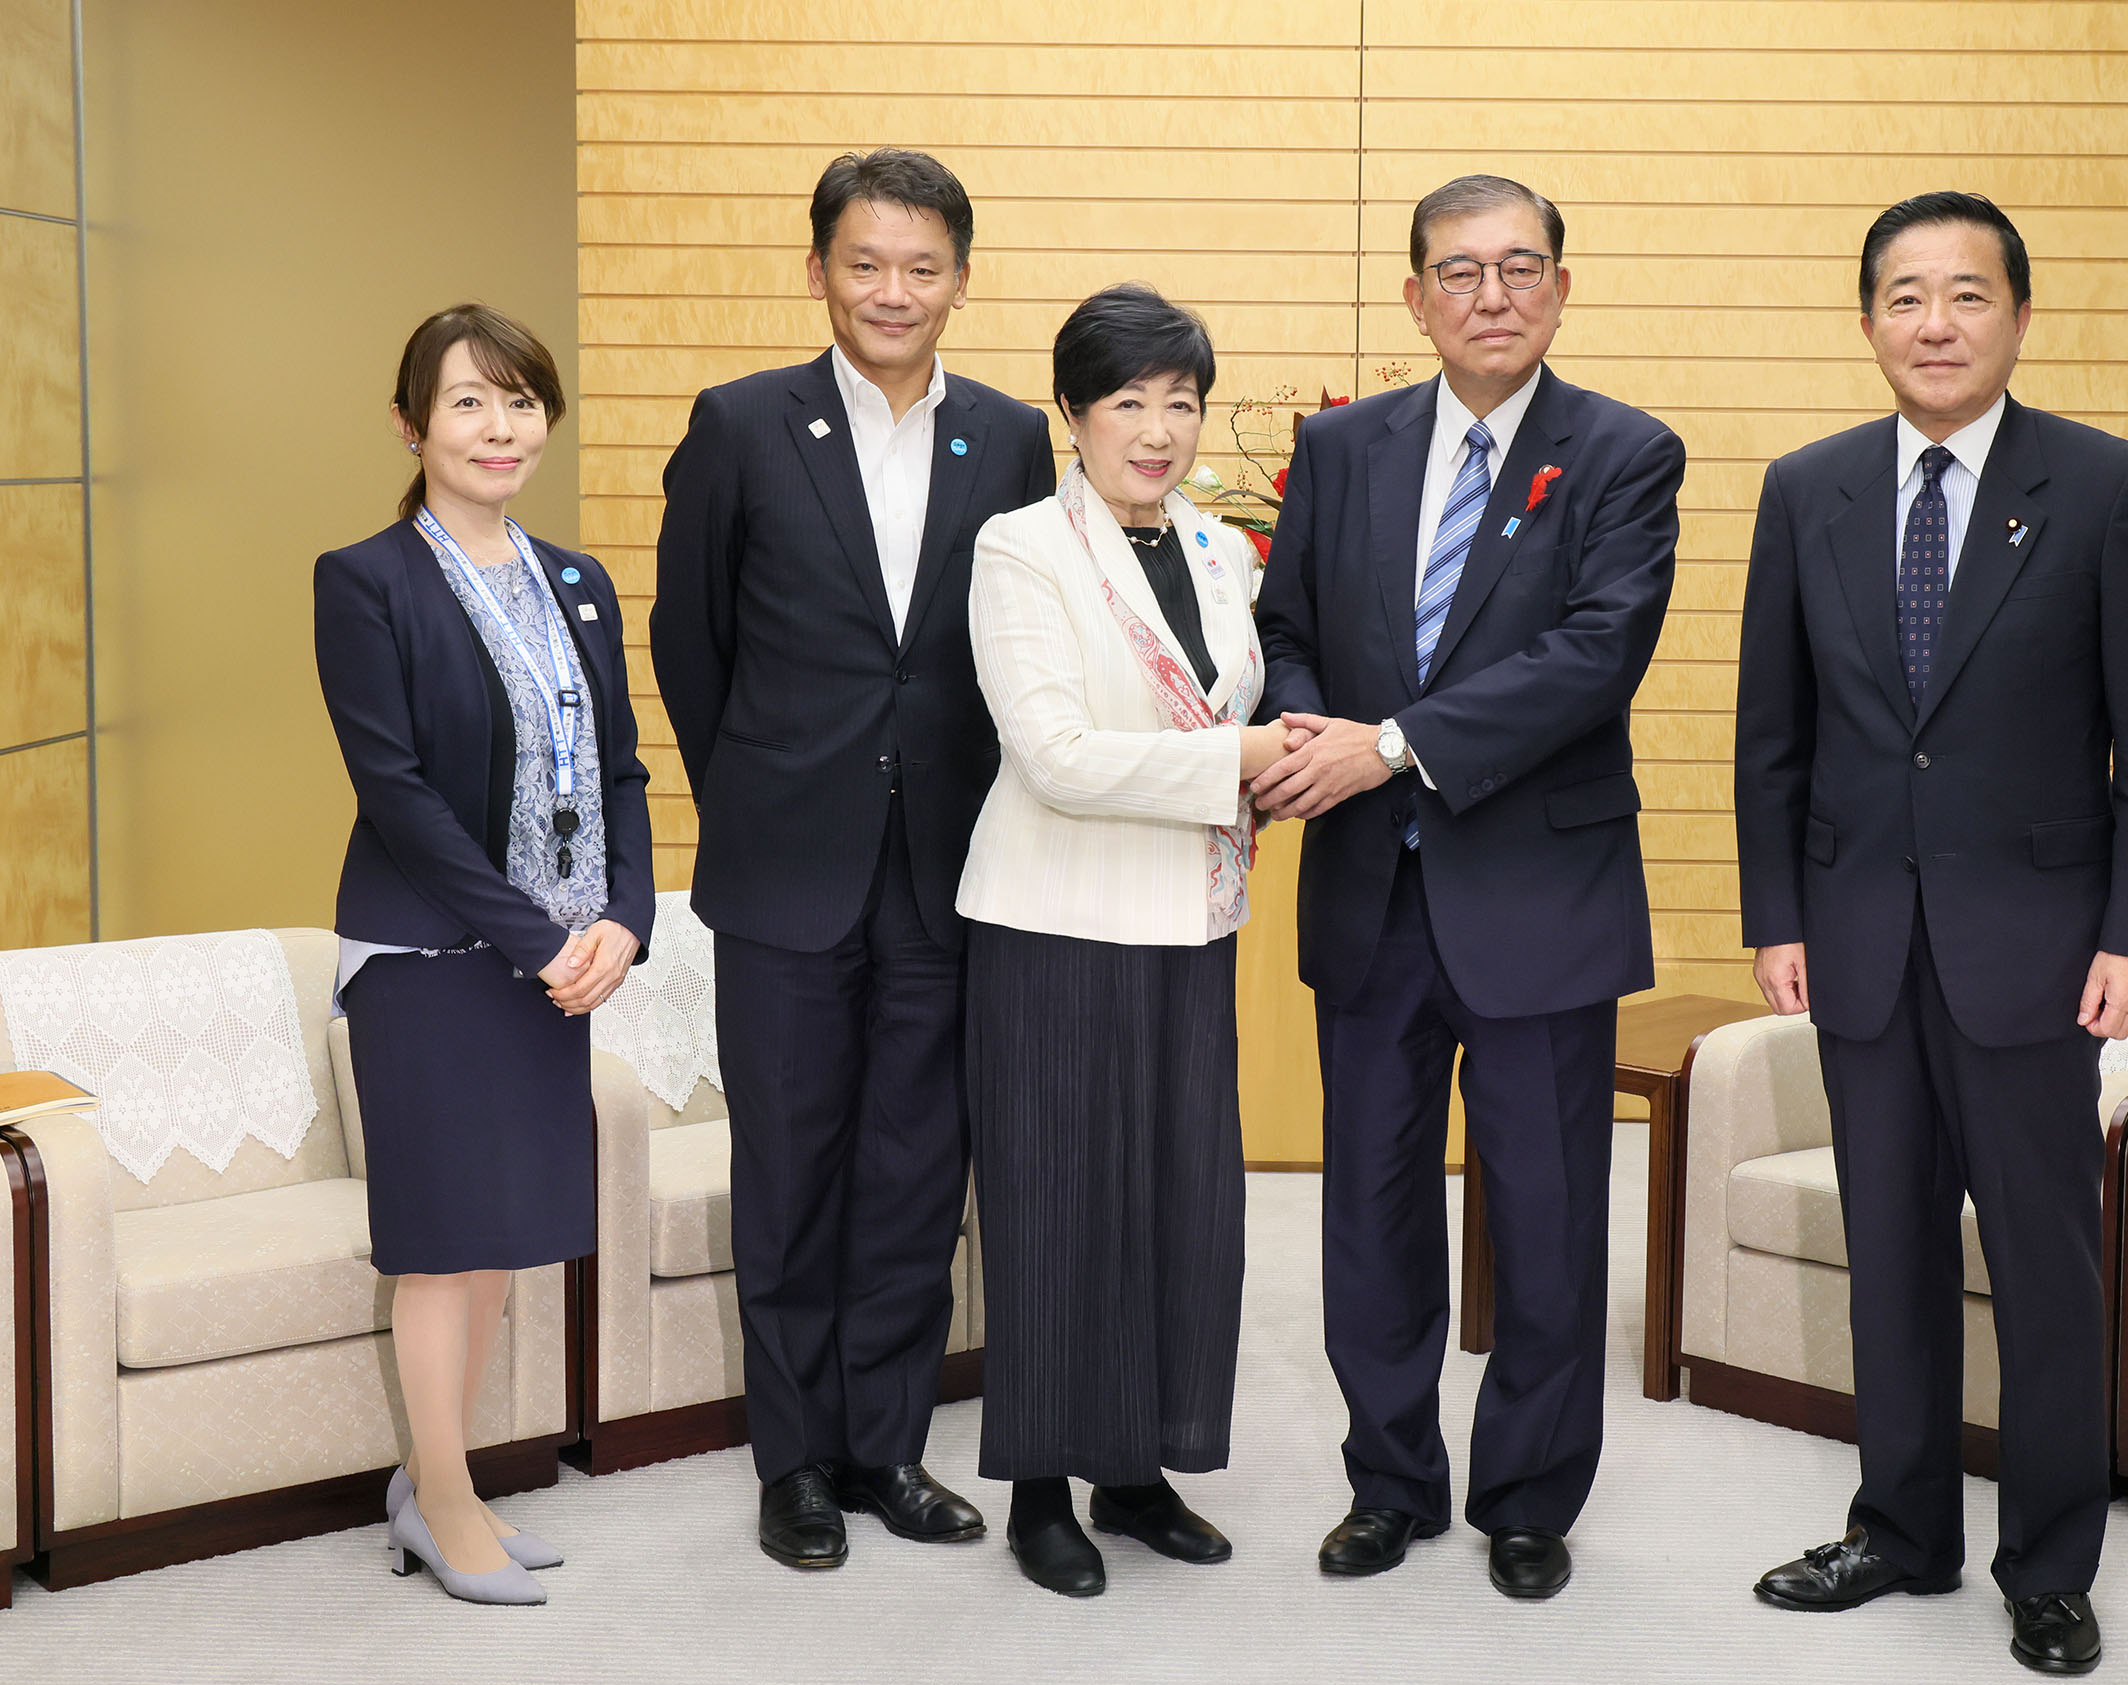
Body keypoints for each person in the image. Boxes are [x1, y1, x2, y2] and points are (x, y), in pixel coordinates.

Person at [1735, 191, 2128, 1675]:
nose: (1934, 324)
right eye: (1904, 296)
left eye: (1966, 295)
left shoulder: (2107, 485)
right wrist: (1776, 914)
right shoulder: (1804, 487)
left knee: (2048, 1268)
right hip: (1860, 938)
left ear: (2018, 311)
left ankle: (2052, 1562)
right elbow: (1772, 732)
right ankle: (1902, 1526)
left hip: (2040, 949)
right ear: (1868, 315)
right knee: (1887, 1249)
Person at [1253, 175, 1684, 1601]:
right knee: (1370, 1207)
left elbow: (1591, 657)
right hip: (1372, 897)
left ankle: (1527, 1499)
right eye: (1459, 272)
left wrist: (1384, 748)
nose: (1490, 295)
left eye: (1519, 268)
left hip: (1539, 898)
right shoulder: (1341, 447)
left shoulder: (1623, 453)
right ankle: (1391, 1482)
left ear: (1561, 285)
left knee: (1551, 1213)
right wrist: (1312, 735)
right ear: (1413, 297)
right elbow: (1288, 624)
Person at [652, 149, 1056, 1570]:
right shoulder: (741, 424)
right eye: (866, 262)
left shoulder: (1007, 438)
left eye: (923, 264)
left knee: (911, 1166)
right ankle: (795, 1461)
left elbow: (1022, 641)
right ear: (817, 268)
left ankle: (887, 1446)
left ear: (960, 276)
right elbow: (689, 643)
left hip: (952, 864)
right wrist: (758, 797)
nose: (894, 289)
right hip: (785, 866)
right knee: (793, 1167)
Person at [314, 303, 654, 1605]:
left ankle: (436, 1486)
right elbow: (397, 794)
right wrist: (543, 937)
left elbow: (620, 765)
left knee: (504, 1237)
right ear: (413, 425)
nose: (498, 425)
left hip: (559, 958)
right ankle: (443, 1505)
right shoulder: (366, 580)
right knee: (442, 1239)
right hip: (430, 957)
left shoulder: (576, 579)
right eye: (467, 401)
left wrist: (624, 918)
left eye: (518, 400)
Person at [957, 284, 1283, 1598]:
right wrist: (1243, 759)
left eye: (1180, 402)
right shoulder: (1021, 549)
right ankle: (1042, 1487)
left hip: (1189, 920)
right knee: (1055, 1208)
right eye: (1127, 403)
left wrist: (1261, 753)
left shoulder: (1219, 551)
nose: (1156, 429)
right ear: (1073, 416)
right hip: (1055, 924)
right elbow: (1055, 756)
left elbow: (1238, 701)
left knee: (1177, 1200)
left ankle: (1138, 1469)